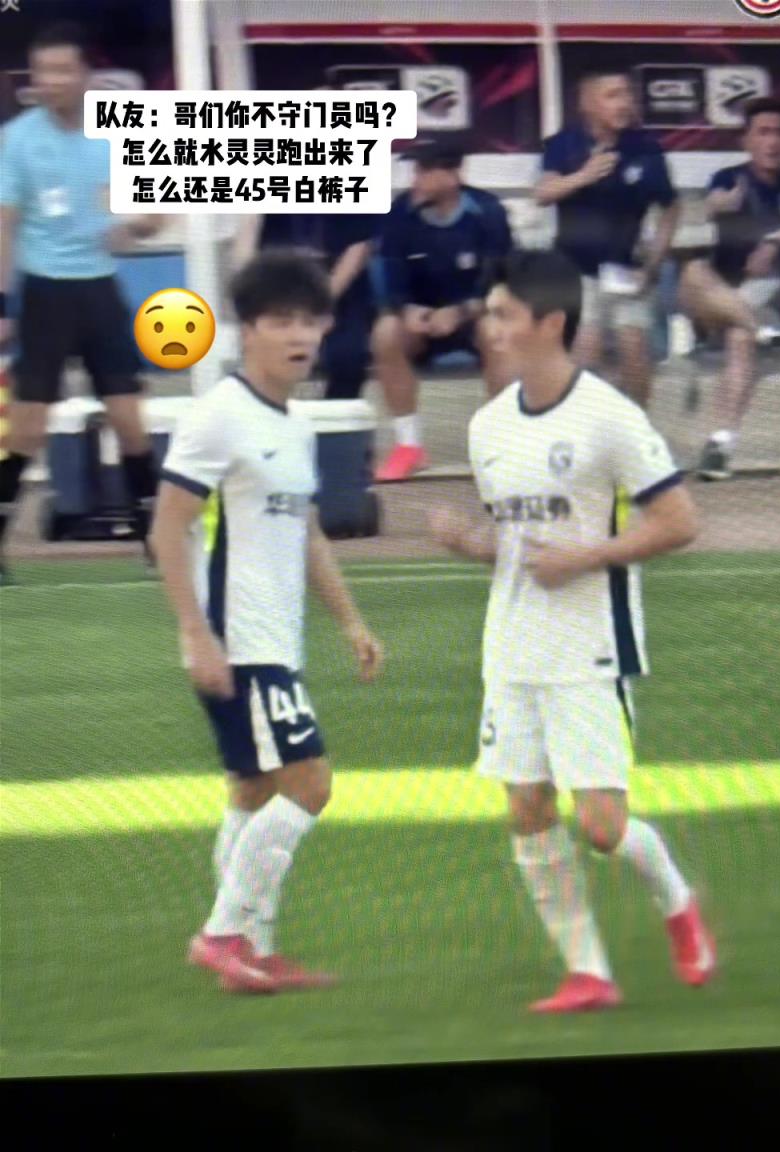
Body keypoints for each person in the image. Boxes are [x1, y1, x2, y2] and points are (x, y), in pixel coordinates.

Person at [428, 249, 714, 1013]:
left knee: (601, 826)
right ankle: (588, 971)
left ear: (550, 322)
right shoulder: (488, 426)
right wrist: (468, 542)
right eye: (489, 314)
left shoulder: (610, 417)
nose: (490, 328)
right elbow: (517, 546)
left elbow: (679, 521)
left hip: (591, 645)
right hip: (511, 644)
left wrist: (587, 557)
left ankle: (679, 902)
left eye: (504, 315)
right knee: (526, 809)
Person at [149, 251, 384, 994]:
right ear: (247, 330)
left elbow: (307, 535)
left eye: (311, 320)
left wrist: (350, 622)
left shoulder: (296, 426)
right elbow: (166, 527)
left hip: (276, 641)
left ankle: (253, 951)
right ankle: (223, 934)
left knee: (251, 792)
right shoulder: (219, 416)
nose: (300, 335)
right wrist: (196, 634)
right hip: (238, 644)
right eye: (282, 320)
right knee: (310, 783)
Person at [0, 21, 163, 583]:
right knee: (26, 429)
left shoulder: (114, 135)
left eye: (63, 70)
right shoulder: (17, 140)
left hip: (99, 290)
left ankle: (159, 544)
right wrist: (2, 303)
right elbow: (4, 226)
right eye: (43, 71)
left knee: (130, 423)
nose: (52, 81)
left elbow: (151, 213)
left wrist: (137, 224)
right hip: (44, 292)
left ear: (85, 75)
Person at [678, 98, 780, 481]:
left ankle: (720, 445)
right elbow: (695, 217)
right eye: (763, 133)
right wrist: (711, 208)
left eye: (779, 133)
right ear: (747, 140)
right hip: (716, 298)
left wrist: (774, 241)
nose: (772, 142)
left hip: (772, 296)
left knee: (740, 336)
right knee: (693, 269)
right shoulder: (728, 178)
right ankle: (762, 331)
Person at [535, 66, 681, 410]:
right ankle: (583, 428)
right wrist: (584, 176)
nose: (624, 103)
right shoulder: (564, 144)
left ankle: (636, 428)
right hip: (576, 270)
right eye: (612, 95)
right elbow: (543, 193)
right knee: (586, 349)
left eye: (627, 94)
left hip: (627, 271)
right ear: (587, 103)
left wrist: (654, 263)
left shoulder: (646, 149)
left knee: (635, 352)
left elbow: (671, 208)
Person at [372, 138, 513, 482]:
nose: (416, 179)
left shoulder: (488, 212)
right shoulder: (400, 212)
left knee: (497, 331)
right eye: (416, 170)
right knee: (385, 332)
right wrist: (405, 309)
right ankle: (409, 446)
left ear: (453, 175)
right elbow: (390, 277)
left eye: (424, 170)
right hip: (421, 322)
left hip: (472, 317)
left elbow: (503, 284)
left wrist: (462, 312)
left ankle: (502, 443)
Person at [232, 209, 380, 401]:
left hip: (339, 286)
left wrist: (321, 299)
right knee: (264, 342)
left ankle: (333, 414)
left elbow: (360, 246)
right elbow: (246, 242)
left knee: (348, 355)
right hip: (276, 281)